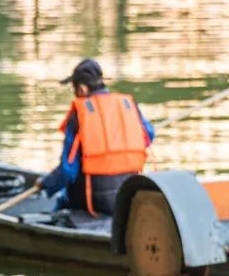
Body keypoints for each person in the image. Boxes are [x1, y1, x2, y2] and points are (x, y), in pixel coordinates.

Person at [40, 57, 154, 217]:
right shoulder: (128, 106)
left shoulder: (78, 116)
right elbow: (148, 136)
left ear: (82, 89)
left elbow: (67, 171)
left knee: (63, 198)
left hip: (94, 201)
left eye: (74, 89)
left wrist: (46, 184)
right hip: (129, 195)